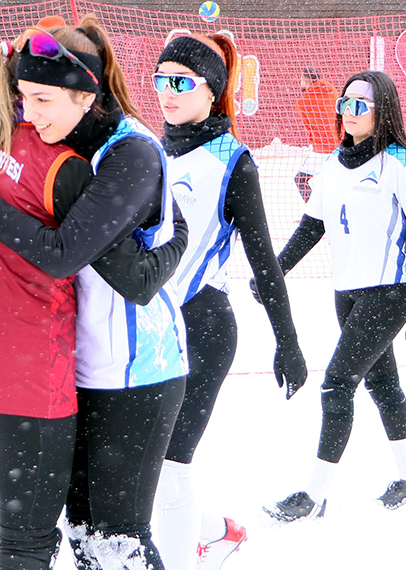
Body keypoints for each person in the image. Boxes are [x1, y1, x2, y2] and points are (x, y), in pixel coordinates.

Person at [0, 28, 189, 570]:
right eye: (24, 98)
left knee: (117, 538)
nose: (30, 115)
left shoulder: (130, 152)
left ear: (87, 93)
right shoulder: (64, 139)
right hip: (73, 364)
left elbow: (64, 256)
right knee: (82, 536)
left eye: (44, 99)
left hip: (135, 371)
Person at [149, 34, 308, 570]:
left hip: (204, 327)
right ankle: (220, 530)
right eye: (159, 80)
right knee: (146, 461)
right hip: (153, 326)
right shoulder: (149, 147)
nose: (166, 93)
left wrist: (287, 342)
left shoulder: (233, 162)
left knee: (171, 462)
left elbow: (265, 263)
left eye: (180, 82)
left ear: (212, 91)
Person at [263, 70, 406, 522]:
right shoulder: (332, 164)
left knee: (337, 383)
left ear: (382, 111)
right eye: (344, 103)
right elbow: (312, 226)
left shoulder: (404, 165)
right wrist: (274, 271)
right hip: (347, 293)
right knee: (384, 385)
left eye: (359, 105)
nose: (348, 112)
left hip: (392, 292)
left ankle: (314, 494)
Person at [294, 67, 341, 201]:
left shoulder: (304, 101)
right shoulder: (333, 92)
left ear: (306, 80)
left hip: (321, 148)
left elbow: (309, 127)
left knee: (300, 180)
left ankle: (313, 210)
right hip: (338, 146)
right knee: (332, 182)